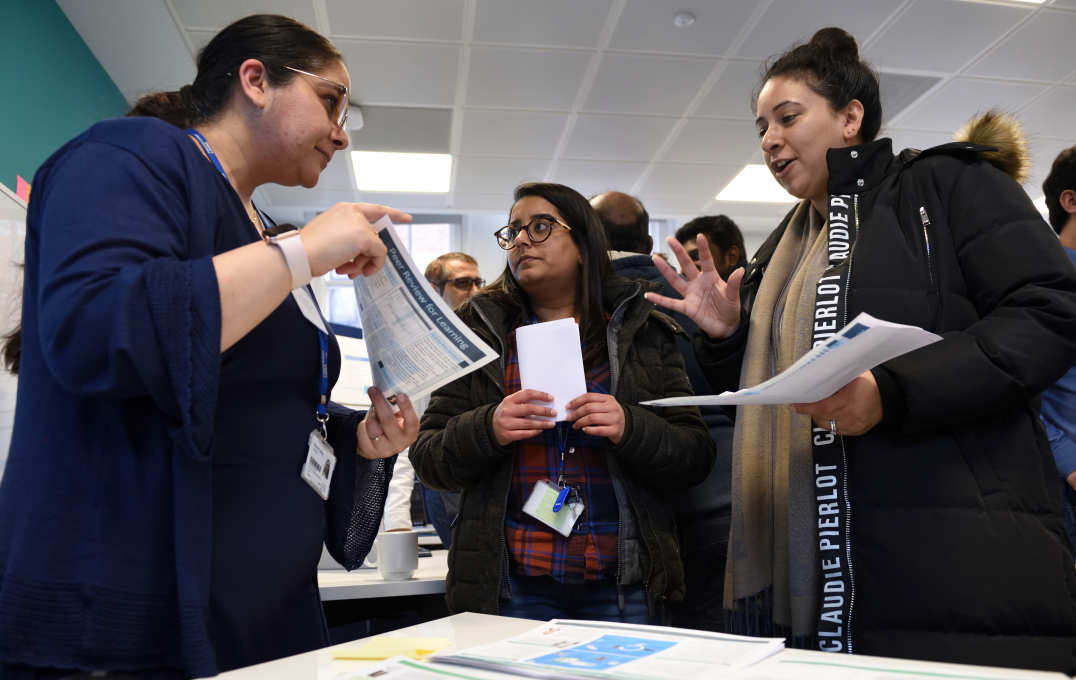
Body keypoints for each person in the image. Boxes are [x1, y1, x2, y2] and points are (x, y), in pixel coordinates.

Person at [0, 14, 420, 678]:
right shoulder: (127, 156)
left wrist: (358, 442)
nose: (341, 133)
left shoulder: (265, 232)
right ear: (255, 80)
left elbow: (254, 409)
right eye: (332, 100)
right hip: (139, 617)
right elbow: (98, 331)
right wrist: (305, 250)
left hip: (266, 616)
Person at [648, 27, 1076, 672]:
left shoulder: (943, 186)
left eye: (788, 117)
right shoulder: (781, 254)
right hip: (818, 562)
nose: (769, 140)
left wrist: (895, 392)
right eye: (761, 126)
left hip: (947, 546)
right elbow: (787, 395)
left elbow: (1052, 309)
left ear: (852, 118)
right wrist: (729, 338)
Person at [410, 182, 714, 623]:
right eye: (512, 232)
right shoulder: (478, 330)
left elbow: (694, 456)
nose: (520, 241)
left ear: (585, 245)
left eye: (539, 227)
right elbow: (428, 458)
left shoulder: (643, 329)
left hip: (623, 583)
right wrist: (488, 427)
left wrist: (630, 426)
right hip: (512, 585)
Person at [590, 190, 733, 631]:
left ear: (589, 244)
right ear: (649, 243)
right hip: (734, 501)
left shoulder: (589, 311)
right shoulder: (708, 300)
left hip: (659, 519)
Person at [1040, 145, 1076, 549]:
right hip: (1065, 491)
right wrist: (1069, 463)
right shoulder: (1042, 283)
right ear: (1070, 200)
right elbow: (1016, 390)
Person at [673, 215, 747, 279]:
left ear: (732, 256)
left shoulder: (755, 292)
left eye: (697, 255)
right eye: (683, 262)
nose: (683, 271)